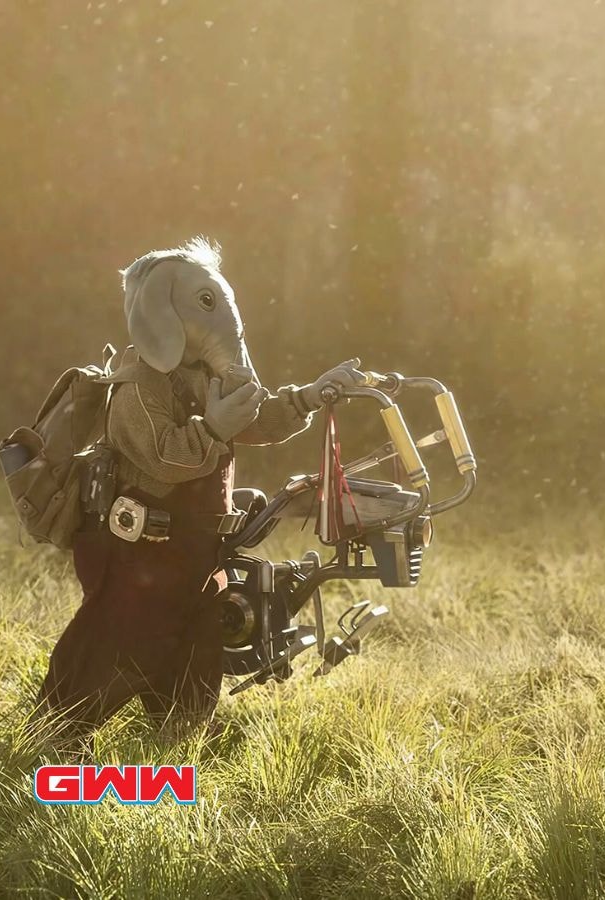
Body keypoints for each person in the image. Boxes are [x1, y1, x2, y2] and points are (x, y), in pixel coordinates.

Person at [30, 238, 365, 751]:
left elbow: (254, 415)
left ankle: (179, 734)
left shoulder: (203, 375)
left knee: (195, 643)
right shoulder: (137, 385)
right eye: (203, 305)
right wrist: (211, 428)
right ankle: (60, 733)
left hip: (197, 552)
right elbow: (163, 456)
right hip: (140, 552)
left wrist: (307, 397)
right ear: (158, 314)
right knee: (119, 638)